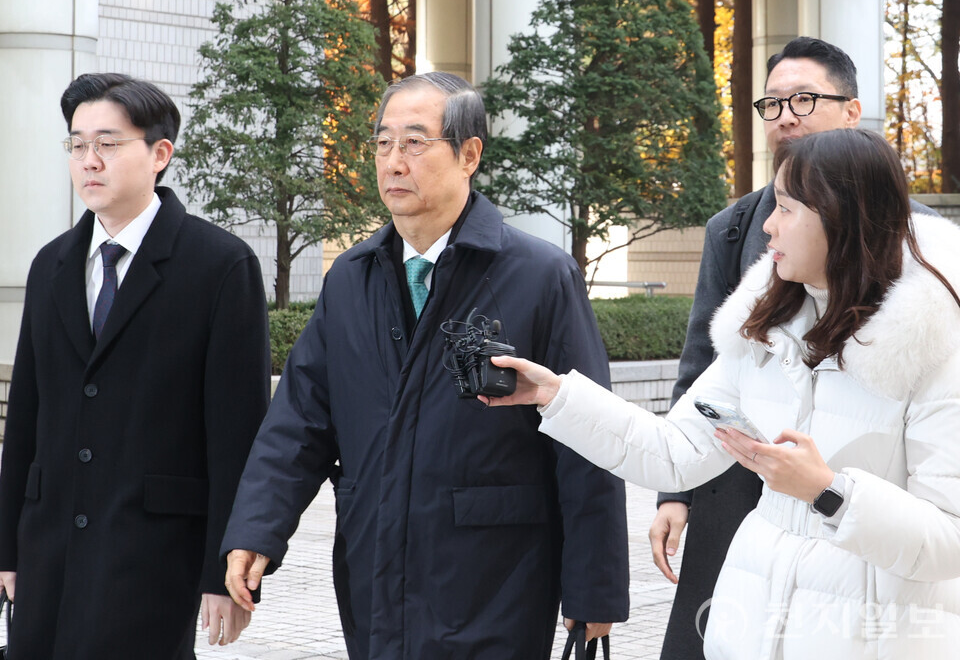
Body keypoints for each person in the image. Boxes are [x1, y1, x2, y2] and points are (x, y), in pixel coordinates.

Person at [484, 127, 960, 659]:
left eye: (785, 208)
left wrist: (828, 492)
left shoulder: (934, 345)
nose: (768, 226)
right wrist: (556, 395)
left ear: (842, 215)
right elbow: (673, 452)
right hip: (749, 628)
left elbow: (951, 540)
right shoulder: (765, 329)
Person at [219, 72, 629, 659]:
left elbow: (588, 439)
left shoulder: (540, 276)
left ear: (469, 155)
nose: (392, 162)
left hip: (498, 573)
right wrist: (258, 528)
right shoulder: (351, 279)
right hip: (376, 560)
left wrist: (595, 590)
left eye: (414, 142)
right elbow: (298, 421)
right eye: (383, 144)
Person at [650, 36, 936, 659]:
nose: (787, 116)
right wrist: (675, 492)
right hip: (739, 487)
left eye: (804, 98)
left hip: (856, 503)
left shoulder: (920, 248)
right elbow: (705, 363)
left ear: (852, 112)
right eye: (772, 104)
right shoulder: (733, 228)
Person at [0, 73, 271, 657]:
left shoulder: (220, 266)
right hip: (48, 551)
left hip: (154, 554)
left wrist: (222, 573)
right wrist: (7, 551)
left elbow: (238, 436)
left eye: (108, 143)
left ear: (160, 154)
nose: (88, 161)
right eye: (77, 145)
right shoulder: (51, 265)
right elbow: (24, 417)